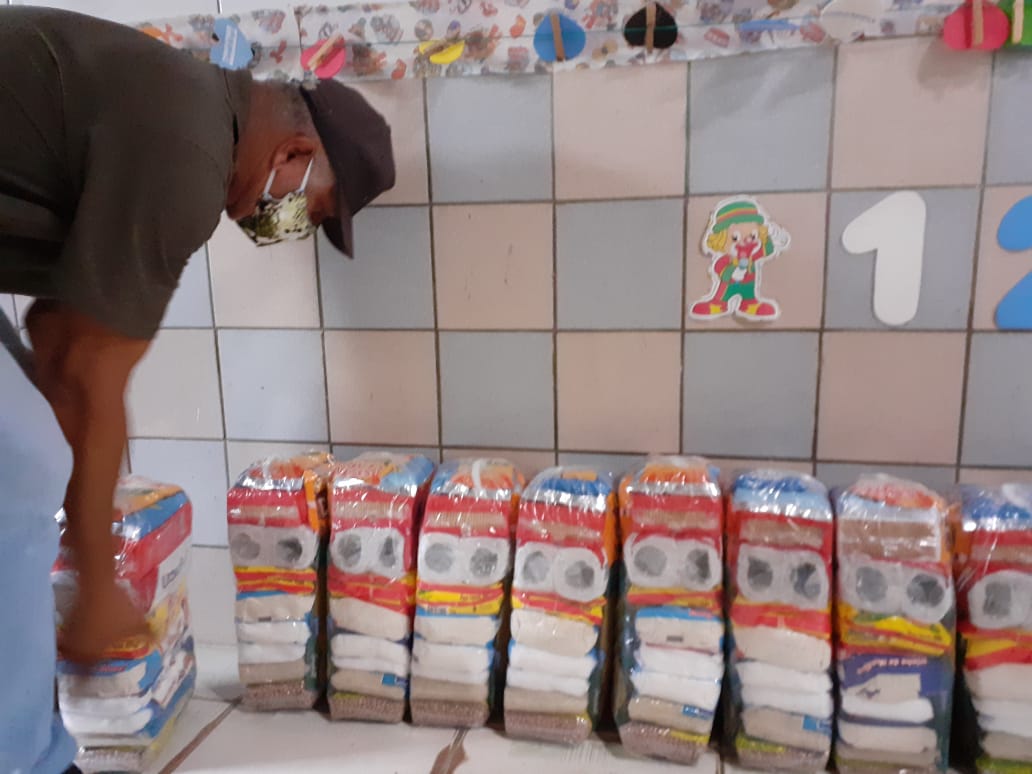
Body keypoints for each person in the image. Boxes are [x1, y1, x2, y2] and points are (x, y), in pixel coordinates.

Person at [0, 7, 395, 772]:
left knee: (26, 455)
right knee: (19, 471)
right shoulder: (188, 148)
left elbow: (57, 335)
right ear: (295, 152)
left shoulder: (188, 114)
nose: (292, 225)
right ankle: (23, 757)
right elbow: (84, 367)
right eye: (310, 207)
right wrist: (95, 582)